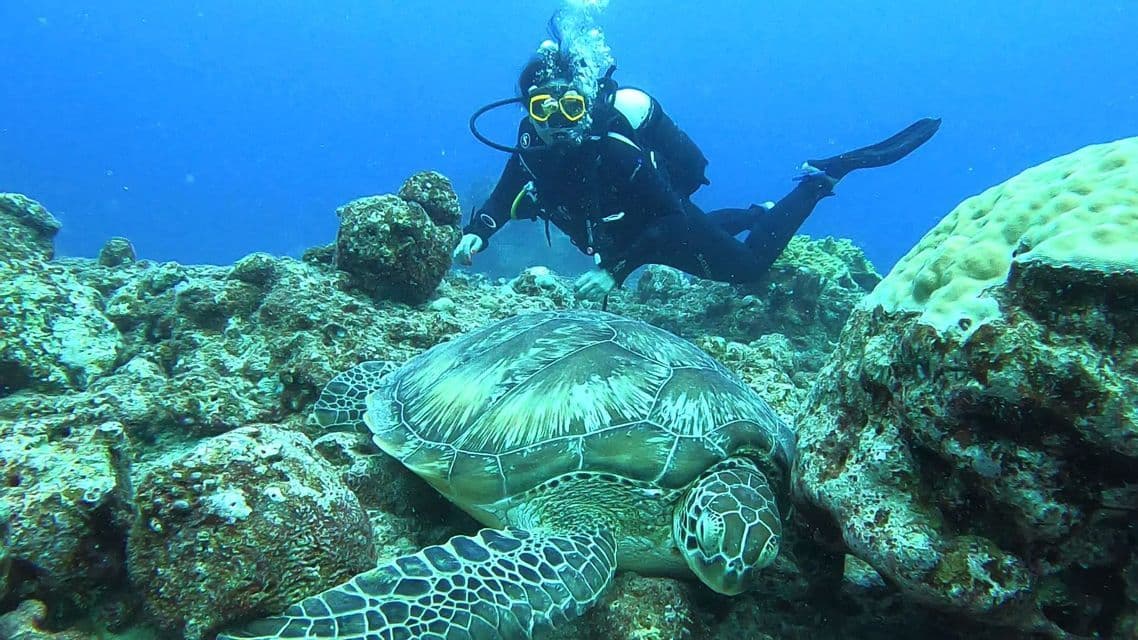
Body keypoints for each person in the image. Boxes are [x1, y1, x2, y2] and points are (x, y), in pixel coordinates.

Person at [457, 38, 940, 301]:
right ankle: (756, 211)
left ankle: (821, 178)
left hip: (657, 222)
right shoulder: (528, 144)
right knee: (698, 233)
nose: (558, 122)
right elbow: (503, 196)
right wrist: (478, 232)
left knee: (747, 270)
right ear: (527, 111)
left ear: (585, 102)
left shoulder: (615, 148)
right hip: (626, 232)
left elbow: (670, 212)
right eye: (543, 109)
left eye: (571, 105)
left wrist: (616, 272)